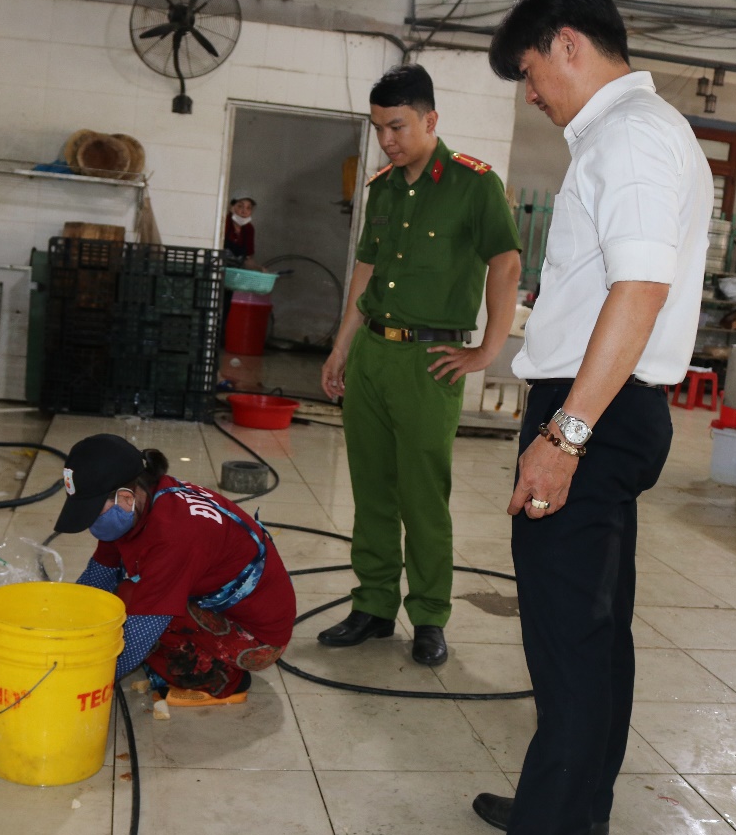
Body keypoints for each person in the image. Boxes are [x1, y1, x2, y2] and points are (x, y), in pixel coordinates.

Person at [424, 0, 713, 835]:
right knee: (595, 629)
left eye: (528, 72)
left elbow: (640, 289)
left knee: (568, 640)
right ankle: (573, 810)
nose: (530, 94)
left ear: (568, 44)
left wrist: (565, 435)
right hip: (609, 407)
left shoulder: (629, 137)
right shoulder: (643, 132)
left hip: (594, 412)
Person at [317, 64, 523, 667]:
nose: (387, 140)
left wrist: (488, 350)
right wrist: (341, 345)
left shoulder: (474, 184)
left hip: (430, 362)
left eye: (398, 126)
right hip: (373, 353)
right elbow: (365, 270)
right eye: (379, 128)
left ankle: (429, 615)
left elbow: (506, 264)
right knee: (371, 490)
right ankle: (374, 606)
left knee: (423, 497)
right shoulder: (382, 189)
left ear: (431, 119)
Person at [52, 434, 296, 705]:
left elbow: (142, 629)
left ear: (125, 497)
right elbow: (98, 577)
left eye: (93, 512)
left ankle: (223, 681)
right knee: (122, 599)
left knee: (138, 612)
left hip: (257, 638)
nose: (91, 523)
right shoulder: (139, 501)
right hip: (217, 602)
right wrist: (61, 627)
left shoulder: (173, 533)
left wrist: (80, 681)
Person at [224, 192, 262, 270]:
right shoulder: (223, 223)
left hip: (236, 272)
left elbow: (248, 259)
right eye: (240, 206)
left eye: (248, 208)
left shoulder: (249, 229)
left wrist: (258, 269)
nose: (244, 211)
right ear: (231, 207)